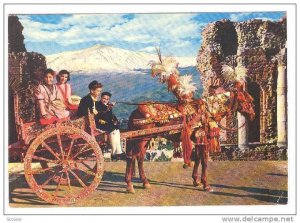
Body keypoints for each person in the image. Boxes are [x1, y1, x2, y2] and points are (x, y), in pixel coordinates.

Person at [96, 92, 124, 160]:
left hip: (106, 124)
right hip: (99, 123)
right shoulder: (97, 104)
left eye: (107, 99)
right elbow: (100, 115)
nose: (105, 100)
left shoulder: (108, 106)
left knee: (116, 128)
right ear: (101, 98)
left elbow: (111, 116)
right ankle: (114, 153)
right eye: (104, 98)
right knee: (113, 128)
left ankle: (118, 152)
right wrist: (108, 108)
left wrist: (115, 121)